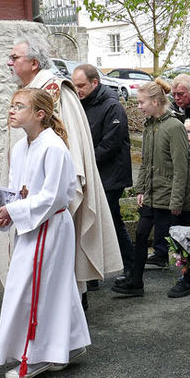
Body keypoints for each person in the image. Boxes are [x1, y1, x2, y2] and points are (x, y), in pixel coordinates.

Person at [6, 37, 122, 300]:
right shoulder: (29, 91)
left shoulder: (56, 90)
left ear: (34, 63)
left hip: (53, 197)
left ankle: (68, 311)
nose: (9, 63)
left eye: (15, 58)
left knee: (57, 269)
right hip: (29, 197)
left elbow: (69, 149)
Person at [0, 89, 89, 378]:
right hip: (29, 226)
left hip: (49, 227)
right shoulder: (21, 147)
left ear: (39, 114)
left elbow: (55, 196)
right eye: (11, 105)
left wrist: (15, 211)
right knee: (54, 287)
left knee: (32, 290)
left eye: (19, 106)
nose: (12, 111)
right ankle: (68, 345)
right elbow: (17, 188)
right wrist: (3, 209)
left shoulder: (53, 147)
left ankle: (36, 356)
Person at [113, 79, 190, 297]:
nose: (138, 106)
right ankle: (136, 281)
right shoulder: (150, 126)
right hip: (152, 193)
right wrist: (140, 189)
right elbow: (146, 161)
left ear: (156, 101)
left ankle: (187, 279)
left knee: (179, 239)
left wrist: (177, 201)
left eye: (142, 102)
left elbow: (182, 167)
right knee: (141, 234)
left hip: (171, 196)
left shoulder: (174, 126)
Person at [71, 64, 135, 291]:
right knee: (91, 223)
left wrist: (83, 162)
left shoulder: (112, 106)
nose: (76, 90)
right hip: (94, 173)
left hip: (110, 176)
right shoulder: (82, 105)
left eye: (81, 85)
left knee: (112, 221)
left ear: (94, 83)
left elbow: (110, 144)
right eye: (75, 85)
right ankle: (92, 275)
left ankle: (132, 271)